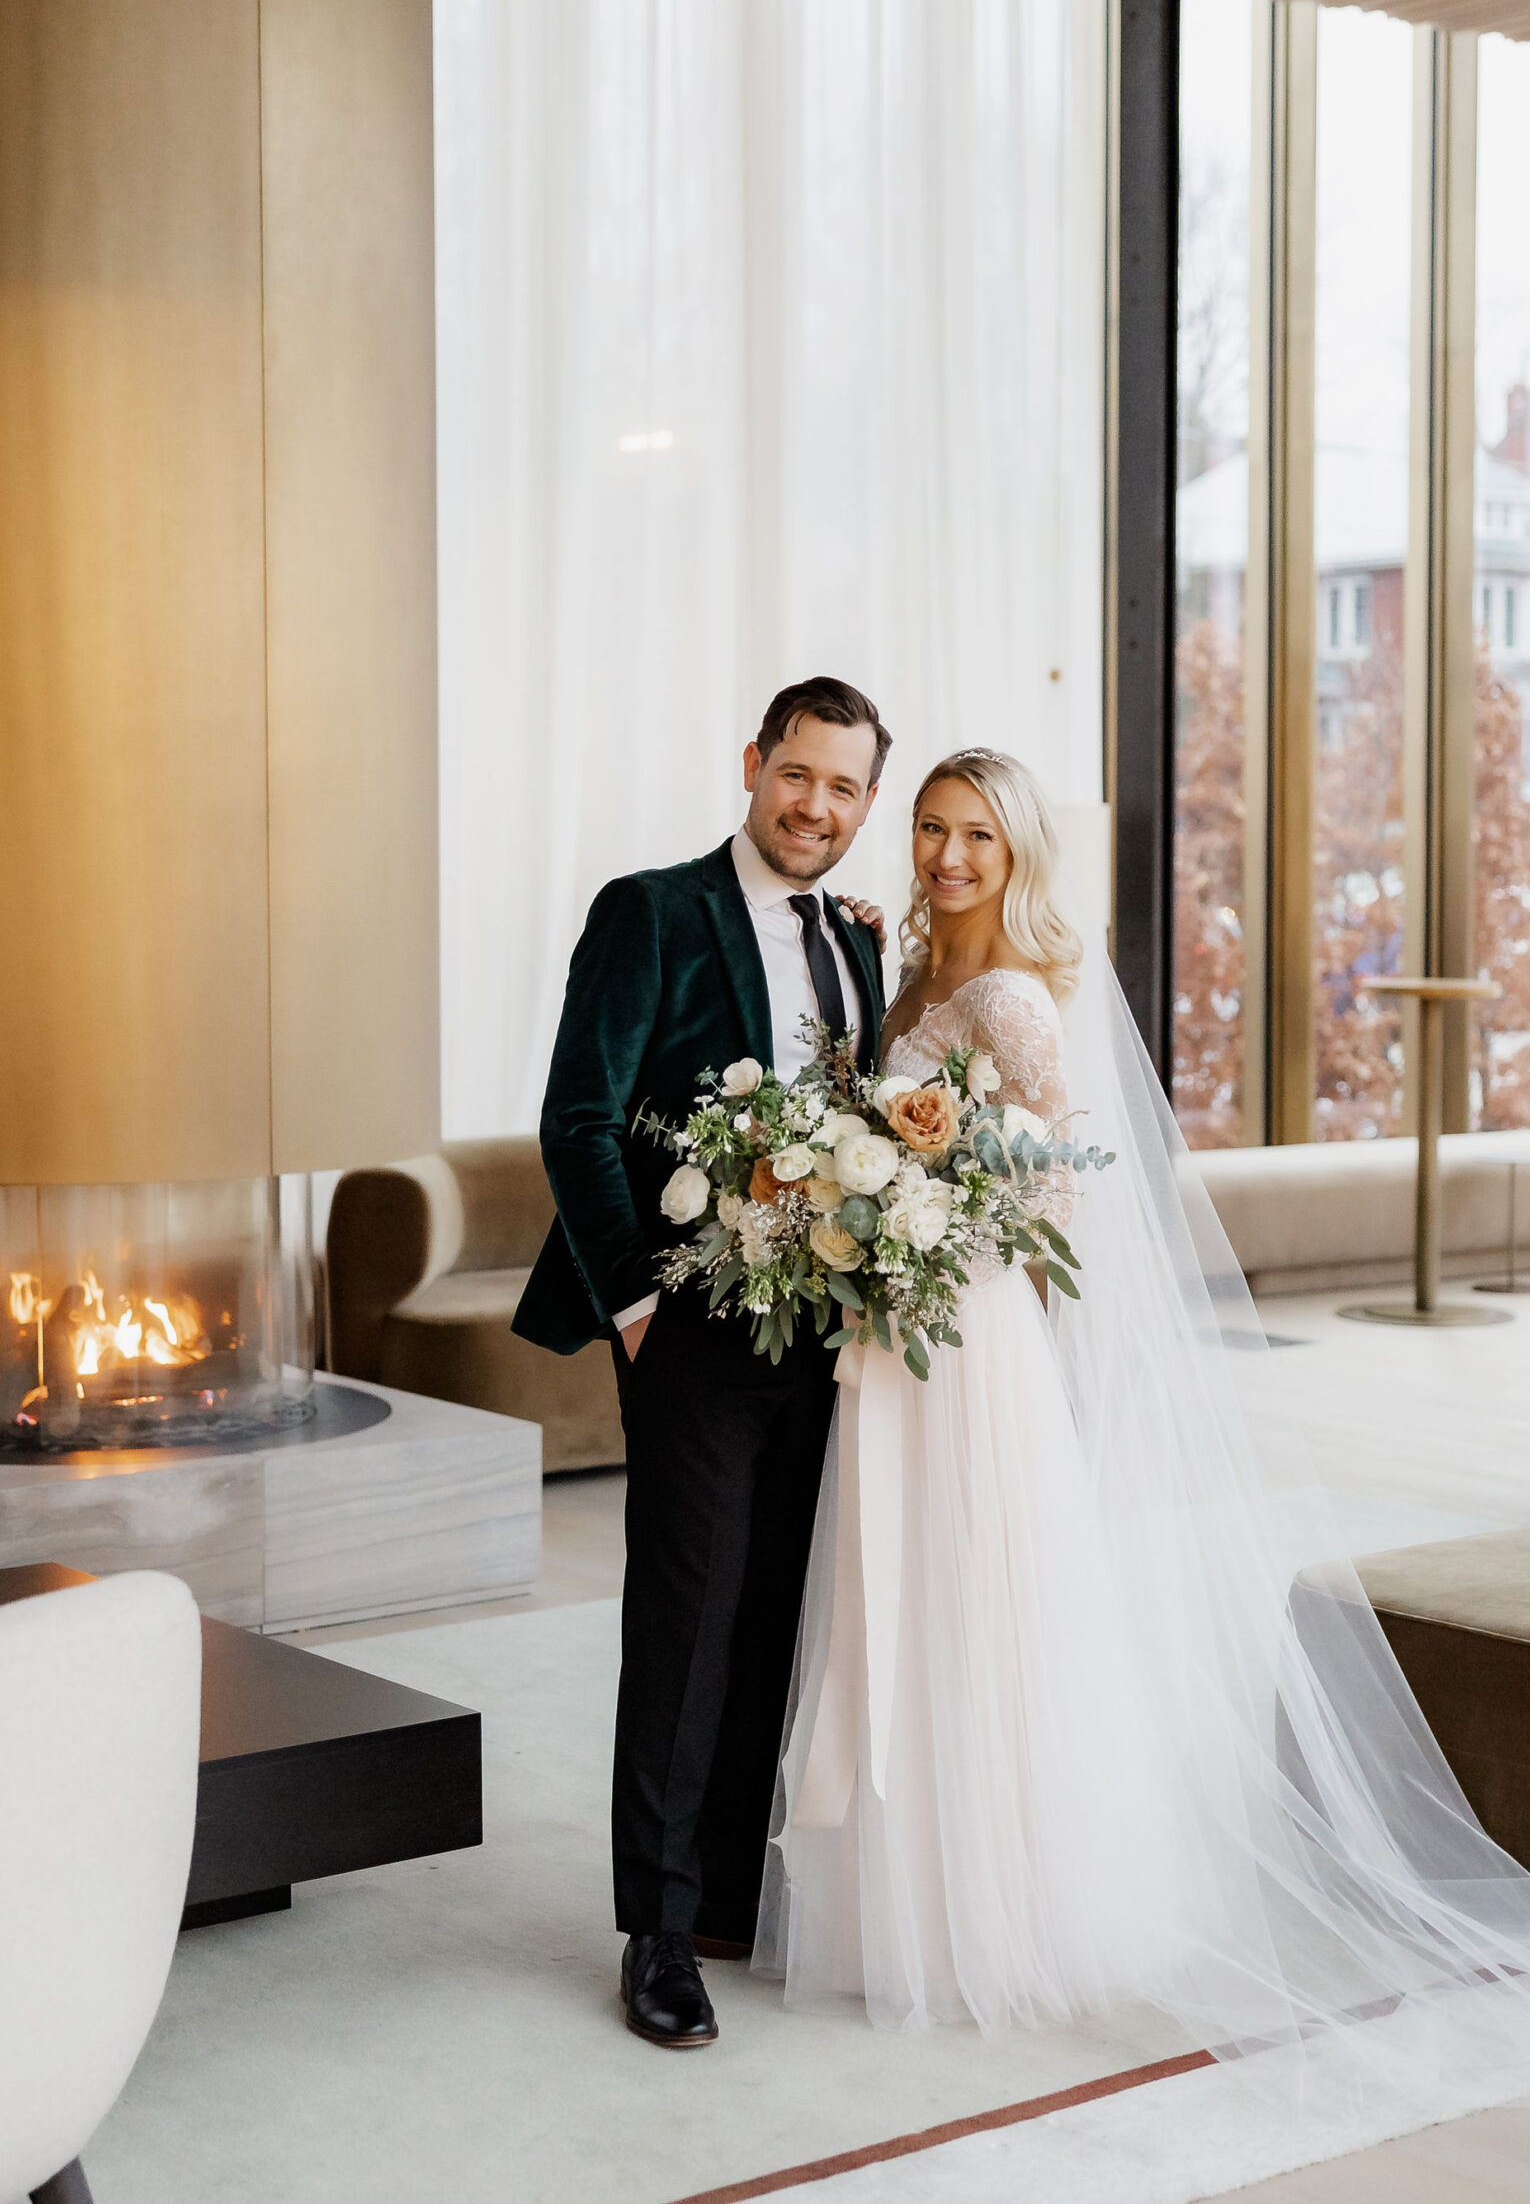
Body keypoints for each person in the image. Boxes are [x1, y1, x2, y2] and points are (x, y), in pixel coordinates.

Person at [755, 748, 1530, 2159]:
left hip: (971, 1334)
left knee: (974, 1599)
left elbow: (1067, 1168)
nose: (946, 856)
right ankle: (897, 1898)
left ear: (1018, 858)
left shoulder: (1003, 995)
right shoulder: (911, 984)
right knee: (897, 1603)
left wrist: (936, 1218)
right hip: (897, 1334)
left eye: (977, 839)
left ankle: (1002, 1907)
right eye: (932, 830)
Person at [513, 677, 888, 2050]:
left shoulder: (855, 940)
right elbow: (576, 1118)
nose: (815, 807)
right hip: (686, 1327)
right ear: (752, 764)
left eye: (845, 788)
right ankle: (656, 1931)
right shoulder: (651, 911)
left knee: (774, 1617)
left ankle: (729, 1895)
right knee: (681, 1626)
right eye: (798, 775)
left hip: (824, 1333)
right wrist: (634, 1304)